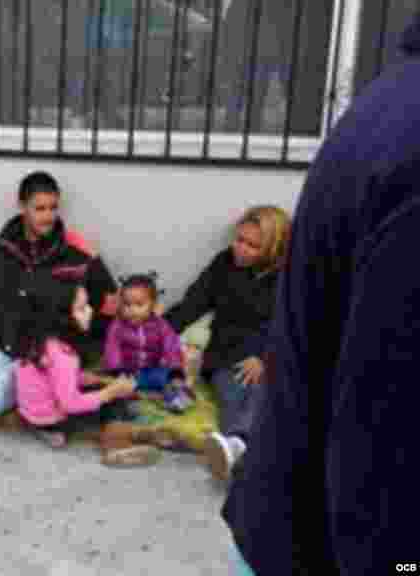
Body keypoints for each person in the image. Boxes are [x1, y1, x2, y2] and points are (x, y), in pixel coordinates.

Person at [223, 11, 420, 574]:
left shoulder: (387, 102)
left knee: (244, 395)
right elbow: (387, 427)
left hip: (285, 505)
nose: (239, 248)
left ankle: (234, 442)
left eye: (249, 241)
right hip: (325, 539)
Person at [0, 171, 164, 469]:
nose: (48, 216)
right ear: (22, 207)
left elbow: (108, 310)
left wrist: (88, 351)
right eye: (39, 208)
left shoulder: (77, 257)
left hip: (43, 356)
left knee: (2, 389)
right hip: (1, 345)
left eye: (53, 208)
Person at [161, 205, 288, 483]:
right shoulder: (224, 264)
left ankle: (237, 447)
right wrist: (157, 334)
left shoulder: (288, 277)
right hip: (227, 355)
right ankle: (239, 447)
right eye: (239, 240)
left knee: (263, 393)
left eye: (252, 245)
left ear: (272, 248)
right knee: (234, 397)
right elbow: (192, 304)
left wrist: (265, 357)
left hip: (271, 355)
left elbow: (294, 322)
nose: (240, 249)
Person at [14, 283, 148, 461]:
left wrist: (80, 379)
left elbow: (46, 376)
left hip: (30, 412)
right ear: (62, 317)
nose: (90, 311)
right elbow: (70, 404)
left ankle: (42, 429)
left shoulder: (39, 340)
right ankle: (116, 445)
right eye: (82, 308)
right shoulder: (64, 355)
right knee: (114, 402)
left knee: (102, 388)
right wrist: (109, 393)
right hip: (53, 419)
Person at [101, 272, 192, 413]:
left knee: (168, 377)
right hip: (127, 372)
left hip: (151, 370)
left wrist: (175, 370)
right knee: (115, 386)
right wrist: (116, 371)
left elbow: (171, 346)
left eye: (139, 304)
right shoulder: (117, 326)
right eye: (127, 304)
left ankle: (175, 398)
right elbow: (112, 349)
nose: (132, 310)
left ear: (153, 305)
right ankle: (127, 401)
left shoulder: (160, 325)